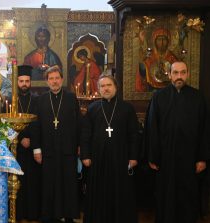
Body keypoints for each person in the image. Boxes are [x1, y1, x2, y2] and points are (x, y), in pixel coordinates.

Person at [146, 61, 210, 223]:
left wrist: (202, 158)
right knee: (165, 195)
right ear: (169, 74)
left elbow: (205, 129)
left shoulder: (198, 97)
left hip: (190, 158)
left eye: (182, 73)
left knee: (187, 196)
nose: (179, 76)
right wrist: (153, 156)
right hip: (166, 158)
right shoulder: (159, 97)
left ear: (187, 74)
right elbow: (152, 127)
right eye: (176, 73)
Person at [80, 74, 139, 223]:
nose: (106, 88)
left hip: (120, 158)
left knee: (120, 192)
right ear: (99, 89)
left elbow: (134, 134)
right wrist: (85, 155)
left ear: (115, 87)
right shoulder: (93, 108)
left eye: (109, 85)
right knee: (99, 194)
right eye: (102, 86)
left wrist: (133, 157)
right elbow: (86, 134)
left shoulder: (127, 108)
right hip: (98, 159)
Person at [32, 66, 80, 223]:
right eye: (51, 78)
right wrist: (37, 149)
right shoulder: (41, 100)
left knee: (68, 184)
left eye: (57, 78)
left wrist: (79, 146)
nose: (54, 81)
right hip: (48, 150)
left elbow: (78, 123)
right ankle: (49, 215)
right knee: (49, 183)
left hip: (68, 149)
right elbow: (36, 126)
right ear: (47, 81)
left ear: (62, 79)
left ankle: (68, 216)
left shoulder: (71, 98)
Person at [15, 65, 41, 221]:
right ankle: (17, 214)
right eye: (21, 81)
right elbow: (7, 123)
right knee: (18, 182)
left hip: (32, 147)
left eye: (27, 81)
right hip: (16, 148)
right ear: (17, 82)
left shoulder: (37, 100)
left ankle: (33, 214)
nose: (24, 84)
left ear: (30, 82)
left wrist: (30, 139)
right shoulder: (10, 100)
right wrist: (20, 139)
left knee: (32, 183)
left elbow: (38, 123)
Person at [136, 28, 178, 92]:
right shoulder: (150, 56)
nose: (161, 42)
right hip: (152, 87)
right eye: (159, 39)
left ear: (168, 41)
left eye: (164, 39)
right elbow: (143, 73)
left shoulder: (172, 57)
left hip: (169, 89)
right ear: (155, 41)